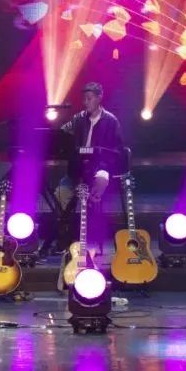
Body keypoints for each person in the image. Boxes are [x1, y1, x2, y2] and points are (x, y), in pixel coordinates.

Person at [47, 82, 126, 257]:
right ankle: (65, 241)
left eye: (89, 99)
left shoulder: (110, 121)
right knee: (60, 196)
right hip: (77, 171)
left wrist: (104, 173)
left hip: (99, 170)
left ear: (99, 98)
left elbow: (117, 152)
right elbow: (62, 135)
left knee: (93, 201)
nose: (85, 102)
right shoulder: (78, 119)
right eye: (84, 99)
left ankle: (92, 243)